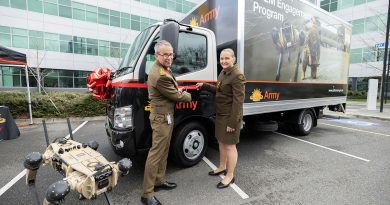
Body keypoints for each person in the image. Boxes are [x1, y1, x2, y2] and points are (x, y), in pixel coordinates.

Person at [142, 40, 191, 205]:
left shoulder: (163, 69)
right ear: (156, 55)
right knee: (156, 154)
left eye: (171, 54)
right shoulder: (160, 75)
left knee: (163, 151)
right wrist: (186, 94)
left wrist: (177, 91)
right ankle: (147, 194)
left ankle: (159, 181)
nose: (169, 57)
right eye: (165, 54)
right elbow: (176, 96)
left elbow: (172, 90)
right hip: (161, 118)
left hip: (165, 117)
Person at [196, 48, 245, 189]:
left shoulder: (237, 75)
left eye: (227, 58)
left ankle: (230, 175)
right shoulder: (223, 72)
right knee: (221, 142)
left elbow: (238, 102)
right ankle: (222, 167)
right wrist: (205, 86)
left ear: (233, 59)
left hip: (230, 117)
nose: (223, 61)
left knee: (230, 146)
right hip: (221, 114)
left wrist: (232, 122)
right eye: (222, 58)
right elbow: (220, 90)